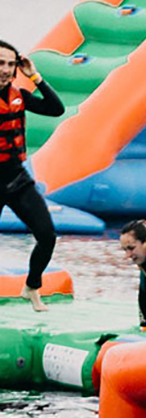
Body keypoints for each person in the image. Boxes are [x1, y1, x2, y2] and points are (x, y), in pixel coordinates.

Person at [1, 40, 65, 312]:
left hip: (17, 179)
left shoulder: (19, 95)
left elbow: (56, 108)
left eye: (10, 64)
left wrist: (34, 76)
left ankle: (31, 287)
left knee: (47, 235)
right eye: (0, 63)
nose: (5, 69)